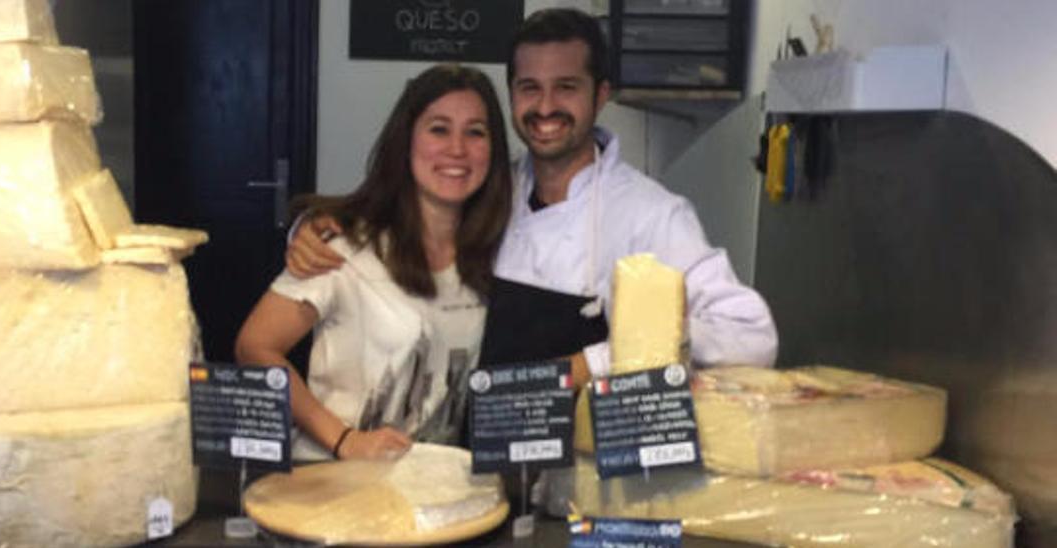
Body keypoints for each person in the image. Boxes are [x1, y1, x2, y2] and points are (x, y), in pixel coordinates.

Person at [285, 9, 777, 385]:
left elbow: (753, 336)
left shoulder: (653, 215)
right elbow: (399, 215)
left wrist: (602, 357)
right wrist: (314, 228)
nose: (545, 107)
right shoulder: (489, 189)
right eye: (529, 88)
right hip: (478, 458)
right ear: (512, 95)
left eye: (566, 88)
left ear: (600, 94)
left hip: (585, 475)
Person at [235, 64, 513, 461]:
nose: (457, 148)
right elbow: (255, 346)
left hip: (431, 490)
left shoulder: (497, 253)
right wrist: (345, 439)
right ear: (406, 141)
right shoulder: (342, 245)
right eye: (438, 129)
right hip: (333, 483)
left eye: (475, 132)